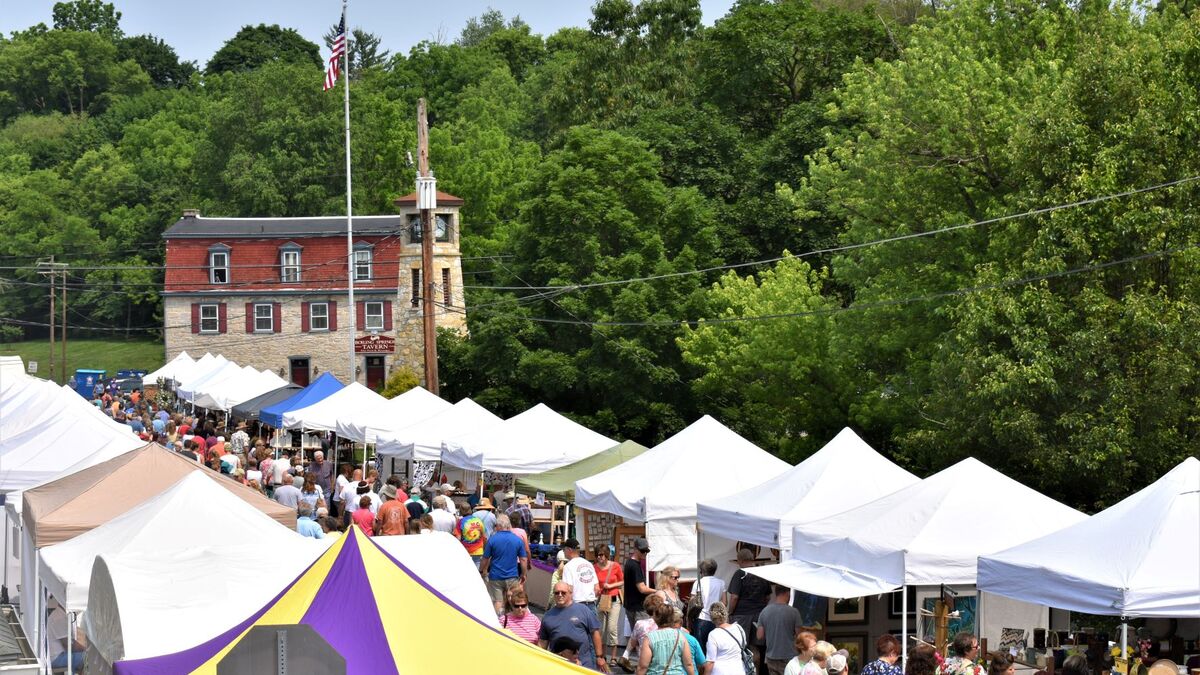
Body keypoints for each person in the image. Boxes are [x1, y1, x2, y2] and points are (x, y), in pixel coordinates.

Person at [540, 581, 608, 673]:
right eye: (557, 593)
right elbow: (543, 642)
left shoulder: (583, 610)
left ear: (570, 593)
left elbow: (595, 633)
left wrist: (599, 657)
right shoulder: (547, 616)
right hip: (559, 666)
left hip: (584, 665)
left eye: (563, 592)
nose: (560, 595)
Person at [729, 548, 772, 665]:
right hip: (759, 616)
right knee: (756, 647)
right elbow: (768, 596)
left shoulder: (740, 573)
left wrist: (730, 612)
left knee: (741, 647)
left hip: (741, 616)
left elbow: (734, 597)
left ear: (740, 560)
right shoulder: (761, 573)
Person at [480, 514, 527, 614]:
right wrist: (523, 573)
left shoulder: (492, 539)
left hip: (495, 576)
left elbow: (485, 558)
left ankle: (498, 622)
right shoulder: (517, 540)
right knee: (514, 599)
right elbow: (523, 559)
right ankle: (514, 620)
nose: (495, 527)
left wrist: (480, 570)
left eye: (496, 526)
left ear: (499, 526)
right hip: (512, 576)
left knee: (498, 601)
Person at [636, 603, 695, 675]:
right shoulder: (681, 636)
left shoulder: (649, 638)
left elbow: (643, 666)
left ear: (656, 618)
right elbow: (688, 664)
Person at [758, 584, 802, 675]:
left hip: (771, 656)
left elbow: (759, 636)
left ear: (776, 593)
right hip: (789, 655)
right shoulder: (794, 612)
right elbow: (800, 636)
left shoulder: (764, 611)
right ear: (787, 593)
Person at [593, 545, 624, 667]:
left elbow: (622, 581)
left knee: (611, 628)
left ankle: (614, 657)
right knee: (601, 629)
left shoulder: (615, 566)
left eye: (601, 555)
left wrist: (610, 586)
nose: (599, 557)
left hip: (614, 599)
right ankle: (603, 655)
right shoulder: (594, 567)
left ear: (607, 554)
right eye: (597, 555)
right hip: (601, 599)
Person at [621, 594, 664, 673]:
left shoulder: (640, 623)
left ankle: (625, 655)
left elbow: (633, 643)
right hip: (661, 661)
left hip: (643, 659)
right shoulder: (664, 624)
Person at [623, 537, 656, 636]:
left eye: (647, 551)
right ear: (635, 549)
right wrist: (657, 591)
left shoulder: (629, 562)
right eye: (643, 551)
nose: (645, 553)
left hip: (631, 606)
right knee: (644, 637)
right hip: (638, 608)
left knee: (637, 636)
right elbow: (642, 588)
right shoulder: (635, 566)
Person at [706, 601, 749, 675]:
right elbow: (744, 645)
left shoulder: (713, 634)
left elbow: (710, 662)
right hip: (739, 670)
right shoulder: (738, 628)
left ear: (712, 618)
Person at [692, 558, 726, 649]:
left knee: (701, 650)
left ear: (701, 571)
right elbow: (724, 602)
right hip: (716, 619)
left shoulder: (698, 583)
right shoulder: (721, 583)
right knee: (714, 648)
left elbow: (692, 601)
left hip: (701, 618)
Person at [561, 538, 598, 609]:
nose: (563, 552)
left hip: (576, 605)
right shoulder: (589, 564)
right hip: (591, 605)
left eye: (564, 550)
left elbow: (569, 589)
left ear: (569, 550)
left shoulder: (568, 566)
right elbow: (597, 588)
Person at [458, 502, 487, 568]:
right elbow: (484, 537)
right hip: (478, 550)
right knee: (476, 566)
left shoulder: (460, 522)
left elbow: (458, 538)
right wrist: (484, 548)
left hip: (466, 550)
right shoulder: (479, 521)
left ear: (461, 511)